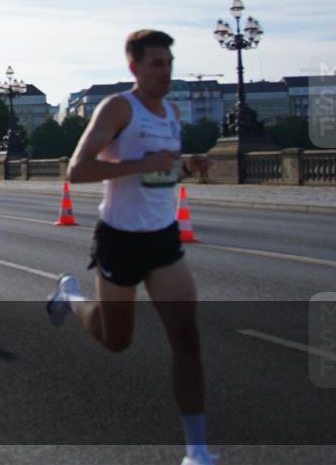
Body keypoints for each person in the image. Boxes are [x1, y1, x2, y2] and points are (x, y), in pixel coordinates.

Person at [45, 30, 213, 465]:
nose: (166, 70)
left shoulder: (172, 112)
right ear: (134, 67)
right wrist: (140, 164)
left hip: (164, 239)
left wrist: (188, 165)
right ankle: (68, 294)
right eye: (156, 63)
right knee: (116, 340)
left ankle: (196, 450)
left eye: (169, 62)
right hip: (119, 239)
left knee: (187, 339)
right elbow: (77, 170)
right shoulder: (119, 107)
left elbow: (164, 169)